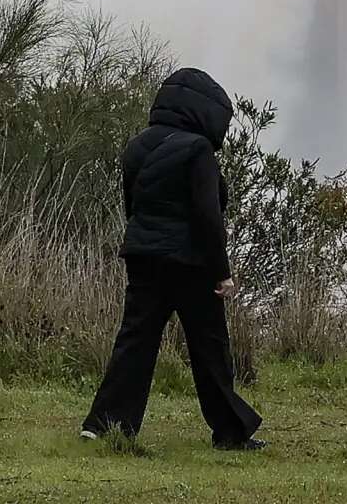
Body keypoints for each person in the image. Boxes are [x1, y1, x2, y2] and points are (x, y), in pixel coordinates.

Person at [80, 67, 265, 451]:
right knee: (209, 347)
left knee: (135, 341)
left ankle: (104, 425)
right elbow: (208, 217)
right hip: (191, 263)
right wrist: (222, 273)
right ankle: (231, 432)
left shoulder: (137, 146)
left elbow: (131, 203)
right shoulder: (198, 151)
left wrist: (144, 240)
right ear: (204, 112)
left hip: (143, 256)